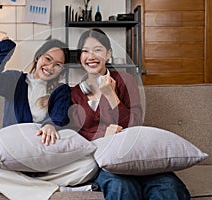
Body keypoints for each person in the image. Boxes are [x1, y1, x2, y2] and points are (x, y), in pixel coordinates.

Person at [69, 28, 191, 200]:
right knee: (122, 186)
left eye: (97, 50)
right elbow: (74, 133)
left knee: (168, 187)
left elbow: (134, 123)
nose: (91, 56)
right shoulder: (74, 93)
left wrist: (111, 95)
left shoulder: (126, 81)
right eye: (85, 51)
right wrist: (103, 135)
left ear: (108, 54)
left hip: (137, 154)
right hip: (104, 162)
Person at [0, 37, 98, 200]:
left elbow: (59, 116)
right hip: (15, 160)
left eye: (58, 65)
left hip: (46, 161)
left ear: (62, 69)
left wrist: (50, 124)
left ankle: (24, 186)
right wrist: (6, 50)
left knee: (89, 165)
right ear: (38, 57)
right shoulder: (15, 81)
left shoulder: (61, 90)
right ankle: (56, 190)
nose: (50, 67)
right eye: (47, 59)